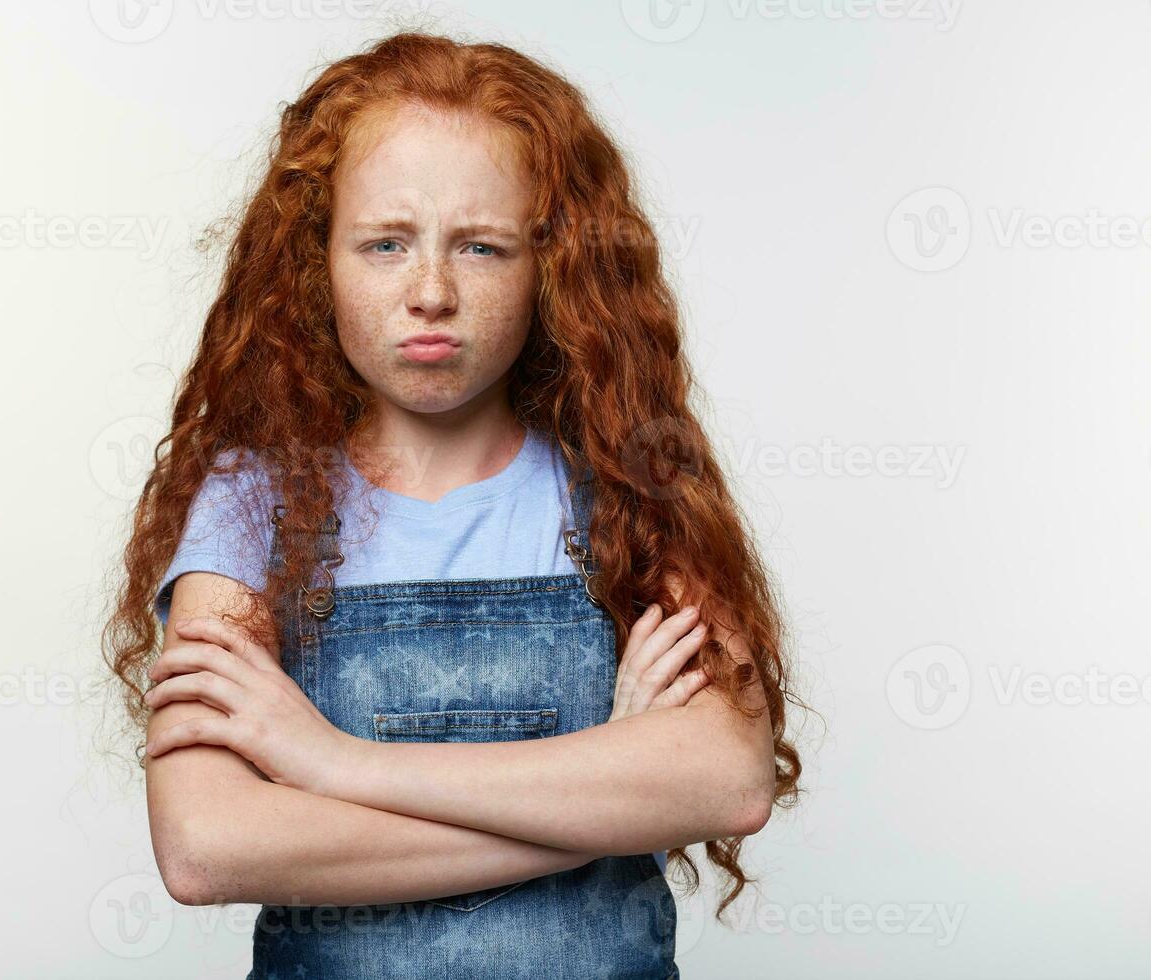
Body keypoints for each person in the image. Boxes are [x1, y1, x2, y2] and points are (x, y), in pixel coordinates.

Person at [103, 31, 803, 979]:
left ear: (548, 265)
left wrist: (334, 765)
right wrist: (603, 798)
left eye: (481, 246)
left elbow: (725, 781)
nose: (430, 292)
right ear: (318, 262)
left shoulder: (632, 485)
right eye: (385, 244)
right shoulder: (250, 505)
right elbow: (207, 845)